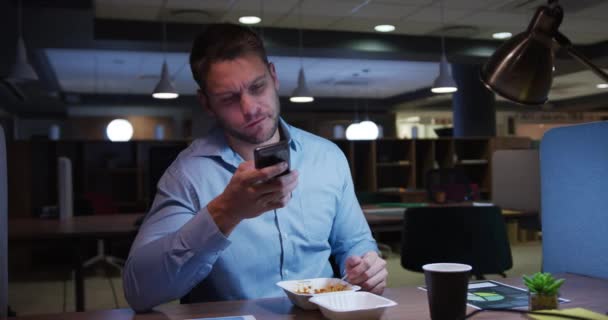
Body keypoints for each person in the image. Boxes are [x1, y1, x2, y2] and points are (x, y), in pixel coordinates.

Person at [122, 23, 387, 312]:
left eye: (257, 87)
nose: (250, 108)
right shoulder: (187, 174)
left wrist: (364, 267)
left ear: (273, 77)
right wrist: (225, 212)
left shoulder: (328, 157)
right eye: (229, 99)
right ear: (207, 104)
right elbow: (138, 291)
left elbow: (355, 242)